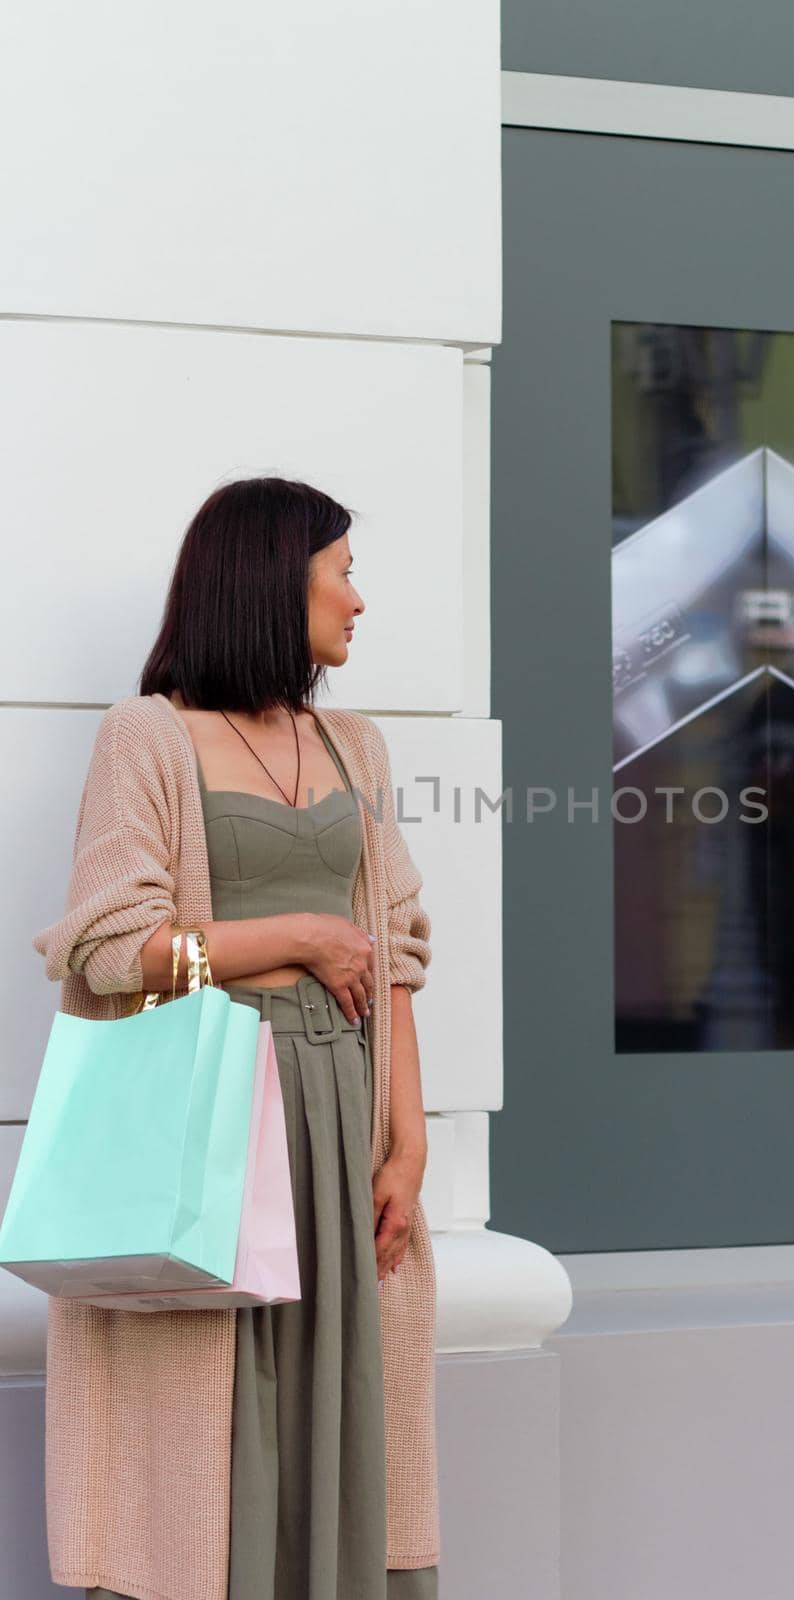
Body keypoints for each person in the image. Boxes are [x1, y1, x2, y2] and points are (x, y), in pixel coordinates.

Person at [32, 477, 440, 1600]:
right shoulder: (148, 737)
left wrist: (407, 1144)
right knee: (210, 1412)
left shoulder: (356, 745)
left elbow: (394, 956)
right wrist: (292, 936)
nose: (358, 599)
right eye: (342, 570)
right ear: (274, 579)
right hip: (216, 1120)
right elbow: (116, 949)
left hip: (339, 1126)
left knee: (344, 1404)